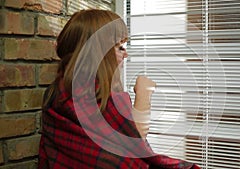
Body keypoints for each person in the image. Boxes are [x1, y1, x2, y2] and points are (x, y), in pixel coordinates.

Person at [38, 9, 200, 169]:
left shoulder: (58, 91)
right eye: (119, 47)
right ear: (99, 51)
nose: (126, 54)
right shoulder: (93, 94)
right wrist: (144, 92)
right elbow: (137, 138)